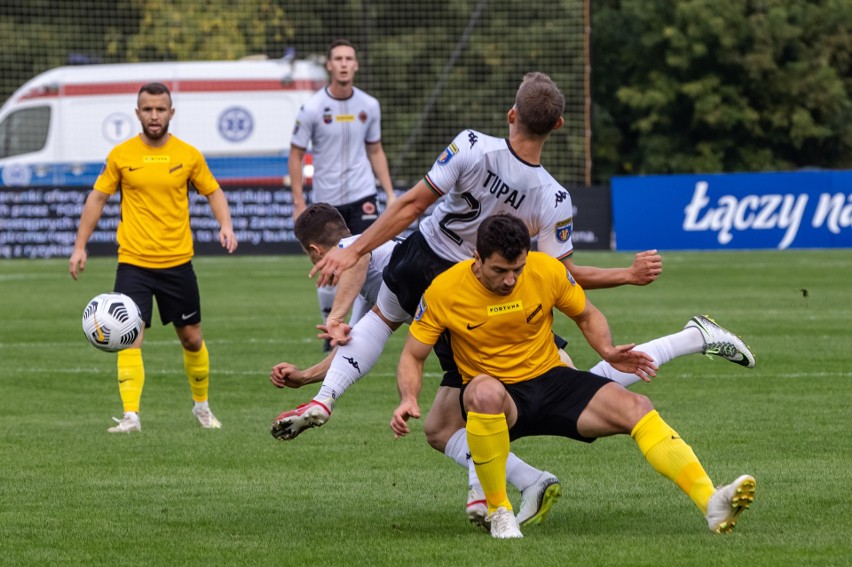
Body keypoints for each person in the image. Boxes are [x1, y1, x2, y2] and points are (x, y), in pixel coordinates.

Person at [271, 72, 754, 527]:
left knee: (434, 375)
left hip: (438, 264)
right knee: (511, 393)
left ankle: (340, 407)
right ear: (559, 126)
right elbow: (561, 278)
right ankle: (497, 488)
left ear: (511, 114)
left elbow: (412, 205)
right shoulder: (555, 198)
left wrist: (356, 248)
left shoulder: (471, 146)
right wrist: (625, 276)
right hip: (486, 284)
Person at [391, 214, 757, 538]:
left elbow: (587, 314)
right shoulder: (443, 291)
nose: (510, 280)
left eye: (516, 268)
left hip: (552, 380)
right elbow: (412, 354)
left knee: (637, 406)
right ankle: (501, 512)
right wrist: (409, 396)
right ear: (477, 257)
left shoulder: (545, 269)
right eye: (499, 270)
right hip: (501, 396)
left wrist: (608, 351)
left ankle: (711, 500)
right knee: (481, 392)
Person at [69, 82, 238, 433]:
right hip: (133, 263)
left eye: (161, 109)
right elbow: (97, 199)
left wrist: (226, 224)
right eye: (147, 109)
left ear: (171, 113)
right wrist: (80, 246)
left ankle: (202, 408)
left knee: (192, 338)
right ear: (138, 113)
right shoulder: (121, 155)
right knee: (130, 336)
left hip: (177, 263)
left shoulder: (188, 155)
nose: (154, 115)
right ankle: (131, 416)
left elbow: (213, 191)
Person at [288, 39, 397, 352]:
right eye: (338, 58)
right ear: (330, 65)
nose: (345, 64)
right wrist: (298, 201)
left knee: (370, 258)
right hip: (327, 201)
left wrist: (388, 191)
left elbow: (375, 149)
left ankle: (365, 328)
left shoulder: (369, 105)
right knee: (329, 264)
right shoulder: (311, 108)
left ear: (356, 65)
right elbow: (295, 155)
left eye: (350, 58)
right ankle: (330, 323)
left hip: (363, 194)